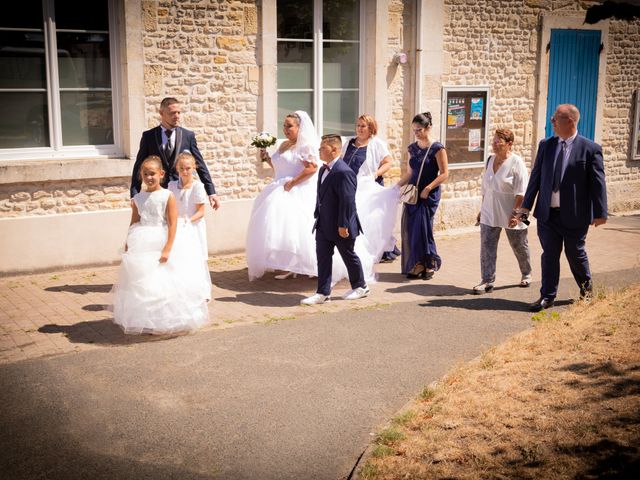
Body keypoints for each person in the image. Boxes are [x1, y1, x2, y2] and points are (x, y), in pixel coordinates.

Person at [520, 103, 607, 312]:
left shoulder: (590, 149)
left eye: (555, 119)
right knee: (549, 255)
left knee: (575, 253)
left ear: (569, 121)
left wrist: (600, 212)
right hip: (547, 214)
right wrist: (526, 207)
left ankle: (586, 292)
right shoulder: (546, 145)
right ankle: (547, 296)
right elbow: (536, 178)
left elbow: (598, 182)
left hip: (575, 215)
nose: (552, 122)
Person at [110, 156, 209, 334]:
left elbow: (172, 224)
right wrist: (127, 242)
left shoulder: (167, 196)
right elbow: (134, 222)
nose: (149, 177)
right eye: (145, 174)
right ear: (141, 176)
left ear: (161, 174)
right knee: (143, 283)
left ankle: (166, 319)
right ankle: (147, 319)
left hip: (161, 239)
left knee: (164, 281)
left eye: (153, 174)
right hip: (142, 241)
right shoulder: (138, 198)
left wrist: (168, 248)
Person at [246, 111, 319, 280]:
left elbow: (312, 168)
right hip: (279, 187)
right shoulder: (284, 144)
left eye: (290, 126)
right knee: (278, 229)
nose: (286, 129)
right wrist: (265, 156)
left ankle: (305, 264)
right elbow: (280, 166)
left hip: (296, 189)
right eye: (284, 126)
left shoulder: (305, 146)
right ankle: (287, 265)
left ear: (300, 127)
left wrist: (293, 182)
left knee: (295, 229)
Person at [301, 134, 370, 305]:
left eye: (322, 148)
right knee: (323, 257)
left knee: (348, 255)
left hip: (341, 225)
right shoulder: (323, 169)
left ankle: (361, 286)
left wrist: (343, 224)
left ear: (334, 150)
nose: (319, 150)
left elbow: (348, 201)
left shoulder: (344, 172)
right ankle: (323, 293)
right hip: (323, 224)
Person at [130, 97, 221, 210]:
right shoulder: (149, 136)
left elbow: (200, 164)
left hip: (181, 193)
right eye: (172, 113)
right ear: (161, 113)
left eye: (178, 112)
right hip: (158, 193)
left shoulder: (188, 136)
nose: (177, 116)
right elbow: (139, 166)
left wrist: (211, 192)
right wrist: (134, 194)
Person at [473, 128, 532, 294]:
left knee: (519, 245)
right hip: (489, 211)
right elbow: (486, 189)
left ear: (509, 144)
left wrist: (517, 215)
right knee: (487, 247)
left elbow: (522, 192)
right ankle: (487, 280)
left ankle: (526, 273)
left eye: (499, 142)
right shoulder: (489, 160)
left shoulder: (517, 162)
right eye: (494, 141)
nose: (495, 144)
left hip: (513, 212)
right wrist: (482, 209)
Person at [341, 114, 400, 264]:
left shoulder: (376, 144)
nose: (359, 129)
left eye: (363, 126)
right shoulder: (348, 143)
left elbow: (388, 162)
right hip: (349, 186)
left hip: (368, 187)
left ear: (371, 128)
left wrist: (376, 174)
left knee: (368, 219)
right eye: (358, 125)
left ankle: (376, 249)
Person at [396, 112, 449, 279]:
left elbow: (445, 173)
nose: (416, 133)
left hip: (428, 195)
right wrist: (396, 187)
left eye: (419, 130)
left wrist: (429, 187)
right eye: (414, 130)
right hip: (413, 194)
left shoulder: (437, 148)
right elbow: (409, 173)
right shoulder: (411, 148)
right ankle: (418, 264)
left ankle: (429, 264)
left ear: (428, 128)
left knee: (424, 230)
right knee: (412, 229)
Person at [168, 152, 213, 301]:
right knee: (178, 257)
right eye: (182, 168)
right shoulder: (172, 185)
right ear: (177, 169)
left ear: (194, 168)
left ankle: (200, 290)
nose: (185, 171)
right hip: (177, 225)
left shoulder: (198, 186)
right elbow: (170, 207)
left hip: (192, 225)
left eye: (188, 168)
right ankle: (180, 288)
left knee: (195, 258)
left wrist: (187, 221)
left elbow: (201, 211)